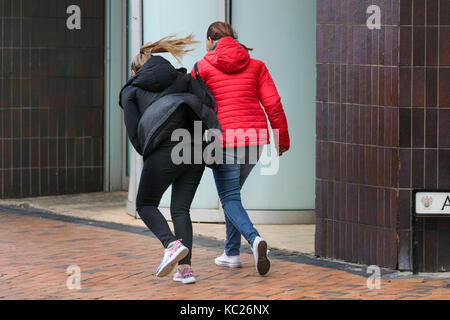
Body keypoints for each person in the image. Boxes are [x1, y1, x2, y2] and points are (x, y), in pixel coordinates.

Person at [119, 35, 221, 284]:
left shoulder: (131, 89)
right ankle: (185, 271)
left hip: (167, 149)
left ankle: (170, 244)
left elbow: (135, 135)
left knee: (145, 204)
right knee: (180, 209)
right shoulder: (184, 78)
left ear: (135, 71)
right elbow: (209, 103)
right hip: (197, 149)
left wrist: (154, 155)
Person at [192, 22, 290, 276]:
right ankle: (232, 254)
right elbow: (274, 104)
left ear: (211, 39)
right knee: (232, 197)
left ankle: (254, 240)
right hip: (255, 140)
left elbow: (192, 106)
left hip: (225, 140)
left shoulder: (202, 67)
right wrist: (282, 139)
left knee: (229, 198)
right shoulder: (256, 65)